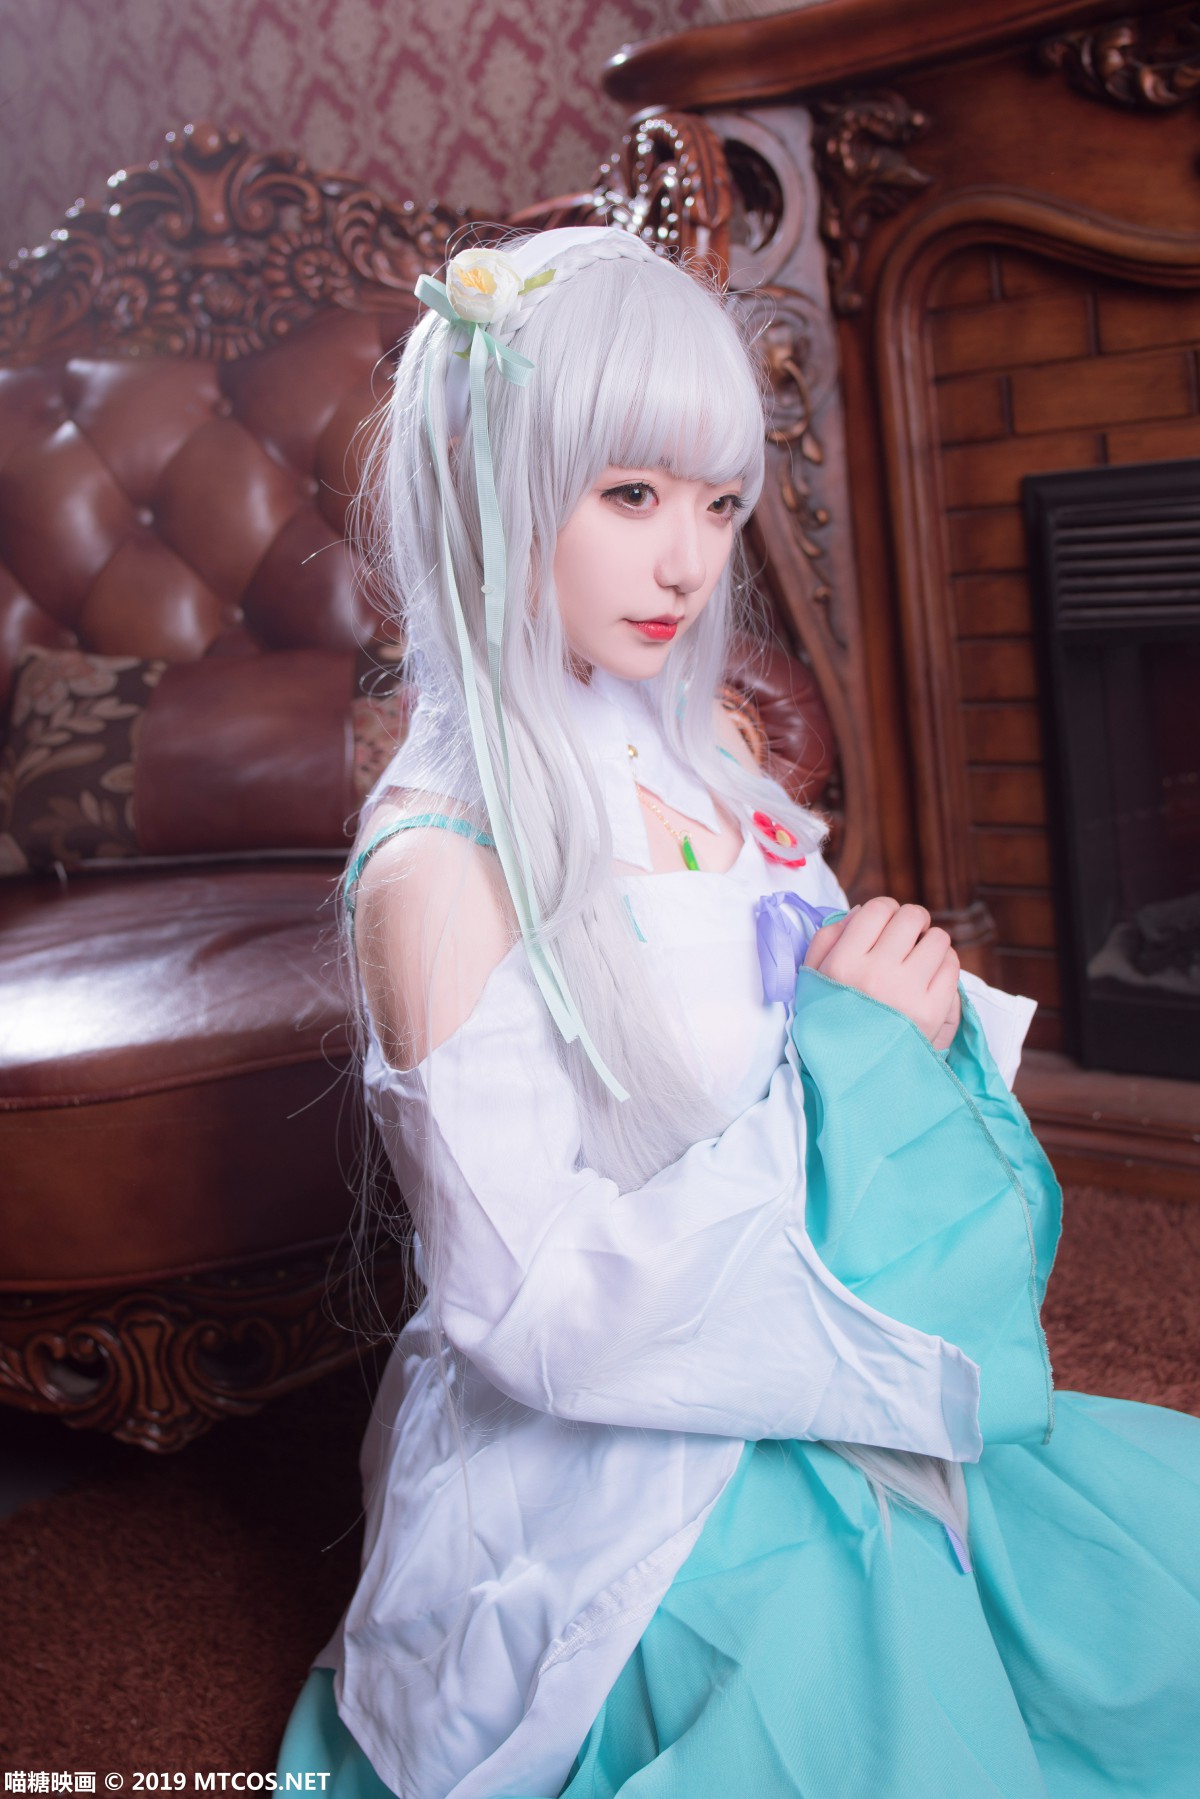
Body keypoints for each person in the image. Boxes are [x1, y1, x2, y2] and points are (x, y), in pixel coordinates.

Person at [277, 227, 1200, 1799]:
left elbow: (796, 1033)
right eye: (631, 494)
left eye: (716, 503)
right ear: (491, 488)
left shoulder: (706, 756)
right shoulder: (440, 872)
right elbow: (531, 1308)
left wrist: (893, 1017)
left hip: (783, 1333)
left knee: (1133, 1601)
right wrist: (852, 1049)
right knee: (864, 1703)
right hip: (609, 1453)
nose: (688, 564)